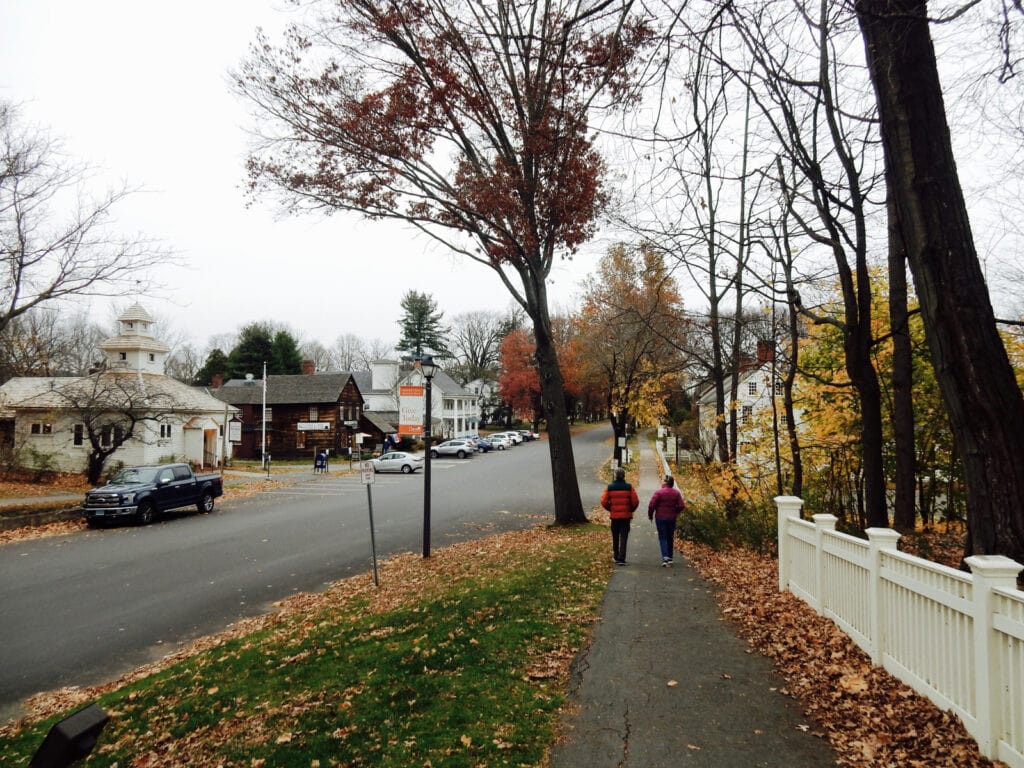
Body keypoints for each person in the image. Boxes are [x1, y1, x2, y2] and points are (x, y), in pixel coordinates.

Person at [601, 467, 639, 565]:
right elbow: (635, 502)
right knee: (624, 537)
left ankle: (616, 556)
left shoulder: (610, 487)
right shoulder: (629, 487)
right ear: (624, 476)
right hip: (626, 517)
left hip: (614, 517)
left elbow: (603, 501)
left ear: (615, 476)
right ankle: (622, 558)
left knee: (615, 536)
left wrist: (611, 509)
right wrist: (631, 510)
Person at [648, 474, 685, 567]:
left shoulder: (658, 493)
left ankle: (665, 557)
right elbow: (681, 505)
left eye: (663, 480)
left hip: (660, 517)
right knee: (670, 537)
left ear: (665, 482)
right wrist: (675, 511)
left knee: (662, 537)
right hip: (672, 518)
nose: (662, 481)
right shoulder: (676, 493)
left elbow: (652, 505)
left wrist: (650, 515)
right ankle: (670, 557)